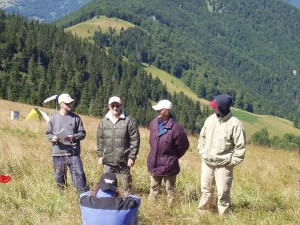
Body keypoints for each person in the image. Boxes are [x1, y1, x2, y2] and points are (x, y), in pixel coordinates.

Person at [197, 94, 246, 216]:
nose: (213, 108)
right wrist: (202, 152)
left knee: (223, 192)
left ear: (223, 108)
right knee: (206, 190)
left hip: (224, 165)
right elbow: (202, 138)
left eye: (215, 106)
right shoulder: (210, 120)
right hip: (207, 163)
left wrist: (231, 161)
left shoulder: (235, 124)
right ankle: (204, 215)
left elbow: (240, 147)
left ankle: (223, 216)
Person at [147, 99, 190, 206]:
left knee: (170, 190)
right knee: (153, 188)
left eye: (159, 110)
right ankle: (151, 208)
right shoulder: (154, 123)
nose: (157, 112)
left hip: (169, 165)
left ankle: (171, 210)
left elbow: (183, 146)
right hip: (154, 162)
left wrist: (172, 157)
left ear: (166, 112)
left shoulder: (177, 128)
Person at [97, 96, 140, 195]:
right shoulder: (104, 122)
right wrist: (100, 155)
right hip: (107, 160)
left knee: (127, 187)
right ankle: (109, 204)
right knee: (107, 187)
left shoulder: (129, 121)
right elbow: (100, 140)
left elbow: (135, 140)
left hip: (123, 160)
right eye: (113, 106)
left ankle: (129, 206)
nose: (115, 107)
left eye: (117, 105)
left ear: (121, 106)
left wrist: (132, 156)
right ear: (109, 107)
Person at [46, 93, 88, 192]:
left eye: (70, 103)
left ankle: (81, 196)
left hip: (73, 154)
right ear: (61, 104)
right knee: (59, 179)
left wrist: (73, 137)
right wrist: (53, 138)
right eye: (67, 103)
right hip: (58, 154)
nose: (70, 104)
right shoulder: (53, 119)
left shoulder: (76, 118)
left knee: (79, 176)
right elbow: (48, 133)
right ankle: (63, 196)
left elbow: (82, 133)